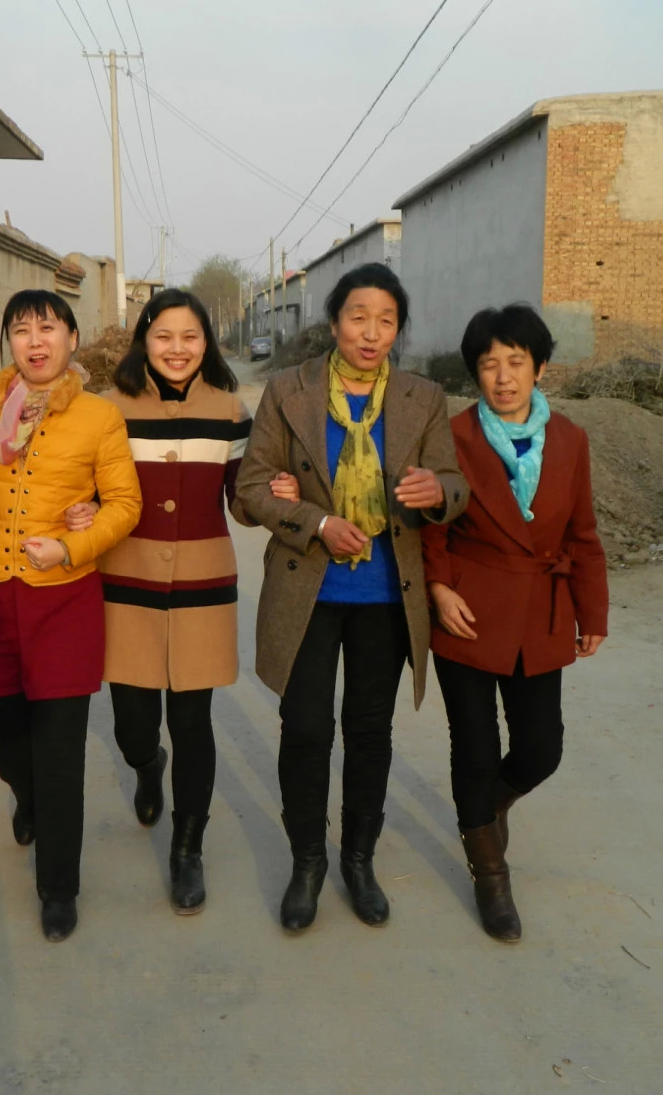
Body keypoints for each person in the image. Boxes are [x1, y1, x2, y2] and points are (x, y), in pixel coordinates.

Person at [236, 262, 468, 932]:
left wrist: (437, 491)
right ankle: (307, 862)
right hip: (308, 587)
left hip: (387, 593)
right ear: (335, 321)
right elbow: (251, 487)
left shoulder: (423, 397)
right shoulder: (289, 391)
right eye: (358, 317)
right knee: (307, 727)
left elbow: (454, 483)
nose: (371, 333)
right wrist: (315, 523)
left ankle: (359, 860)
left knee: (370, 731)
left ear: (398, 330)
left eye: (386, 321)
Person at [0, 290, 140, 942]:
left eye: (48, 328)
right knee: (0, 736)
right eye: (21, 329)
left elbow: (124, 504)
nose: (35, 341)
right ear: (9, 342)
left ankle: (58, 888)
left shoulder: (100, 416)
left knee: (61, 750)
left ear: (72, 338)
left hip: (64, 596)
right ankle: (31, 794)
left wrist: (73, 543)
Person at [422, 304, 608, 942]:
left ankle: (489, 807)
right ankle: (491, 875)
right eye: (489, 365)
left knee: (541, 748)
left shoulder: (571, 440)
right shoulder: (452, 436)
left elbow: (583, 533)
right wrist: (439, 589)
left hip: (542, 611)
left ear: (540, 368)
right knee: (474, 748)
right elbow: (429, 526)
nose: (503, 377)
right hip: (468, 609)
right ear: (475, 373)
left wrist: (592, 610)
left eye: (516, 362)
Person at [63, 289, 251, 913]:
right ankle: (147, 766)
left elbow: (242, 501)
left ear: (207, 342)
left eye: (190, 336)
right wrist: (83, 510)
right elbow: (89, 487)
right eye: (164, 336)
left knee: (193, 722)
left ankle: (187, 848)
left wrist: (270, 492)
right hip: (127, 585)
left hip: (203, 587)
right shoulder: (108, 410)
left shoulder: (230, 410)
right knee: (133, 725)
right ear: (144, 339)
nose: (177, 349)